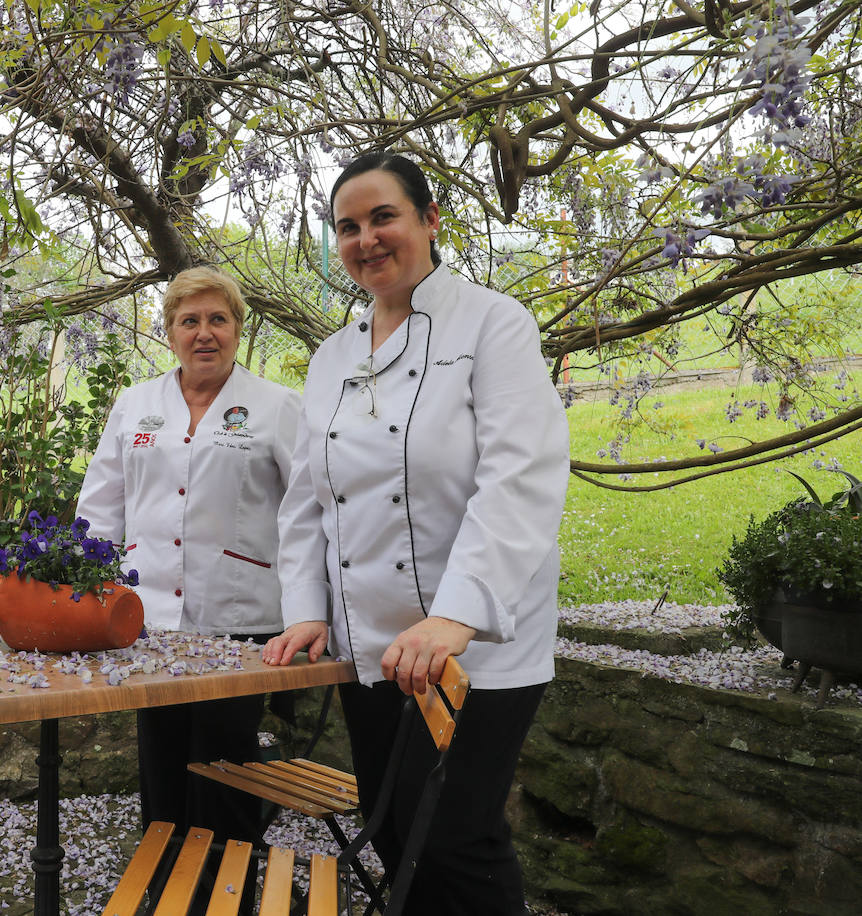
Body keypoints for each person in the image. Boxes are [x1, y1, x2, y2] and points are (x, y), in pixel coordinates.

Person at [263, 150, 569, 914]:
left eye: (383, 217)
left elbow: (520, 478)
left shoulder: (493, 324)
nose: (365, 238)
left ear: (431, 221)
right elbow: (308, 499)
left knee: (456, 839)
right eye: (347, 226)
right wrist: (306, 610)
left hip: (476, 645)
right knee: (394, 832)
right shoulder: (333, 357)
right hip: (373, 643)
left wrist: (456, 614)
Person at [76, 266, 299, 851]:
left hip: (240, 620)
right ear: (170, 331)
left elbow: (310, 514)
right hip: (149, 621)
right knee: (164, 762)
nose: (204, 333)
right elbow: (100, 507)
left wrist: (309, 608)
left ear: (238, 330)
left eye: (218, 319)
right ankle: (167, 883)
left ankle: (227, 893)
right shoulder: (137, 404)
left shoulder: (277, 407)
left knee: (227, 767)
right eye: (189, 320)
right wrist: (86, 593)